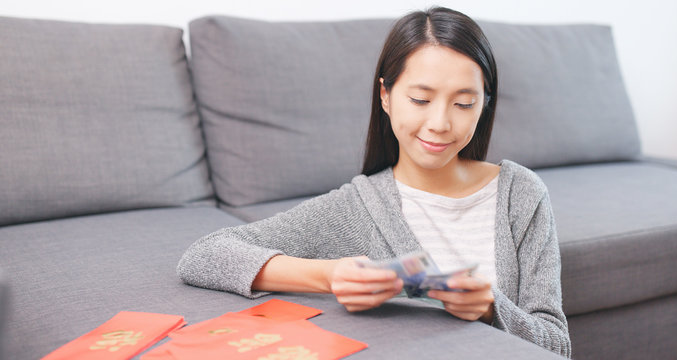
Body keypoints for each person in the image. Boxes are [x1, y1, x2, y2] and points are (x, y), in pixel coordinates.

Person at [178, 6, 570, 357]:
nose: (439, 123)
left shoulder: (521, 193)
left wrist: (490, 308)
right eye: (420, 99)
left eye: (464, 103)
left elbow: (556, 344)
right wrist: (329, 276)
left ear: (484, 105)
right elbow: (204, 256)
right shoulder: (355, 209)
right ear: (385, 96)